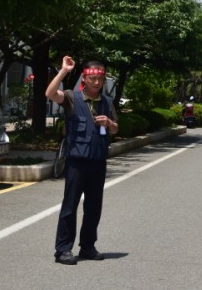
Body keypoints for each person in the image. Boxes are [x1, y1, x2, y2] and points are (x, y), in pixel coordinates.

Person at [46, 56, 119, 266]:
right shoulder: (71, 97)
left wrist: (109, 123)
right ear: (84, 79)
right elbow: (50, 94)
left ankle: (87, 246)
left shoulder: (106, 102)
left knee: (94, 207)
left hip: (98, 161)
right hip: (76, 162)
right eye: (92, 79)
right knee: (70, 206)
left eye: (100, 79)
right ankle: (63, 250)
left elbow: (116, 129)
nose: (96, 83)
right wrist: (64, 71)